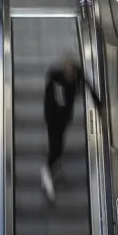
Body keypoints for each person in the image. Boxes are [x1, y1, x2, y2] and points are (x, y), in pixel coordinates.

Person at [40, 54, 82, 202]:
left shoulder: (78, 76)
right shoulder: (55, 78)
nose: (70, 75)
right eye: (68, 72)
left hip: (64, 117)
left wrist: (99, 105)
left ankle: (55, 164)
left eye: (72, 72)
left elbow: (87, 86)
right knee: (55, 144)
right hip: (53, 117)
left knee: (60, 141)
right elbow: (51, 101)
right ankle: (47, 172)